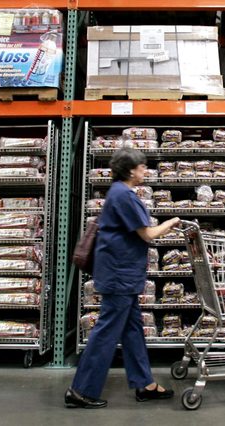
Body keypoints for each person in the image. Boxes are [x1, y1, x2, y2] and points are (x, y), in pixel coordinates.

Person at [65, 147, 180, 409]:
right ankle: (80, 390)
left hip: (121, 274)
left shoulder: (118, 193)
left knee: (132, 330)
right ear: (130, 170)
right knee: (106, 331)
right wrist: (171, 222)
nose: (145, 170)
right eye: (142, 166)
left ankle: (144, 383)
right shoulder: (124, 195)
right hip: (119, 275)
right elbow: (148, 235)